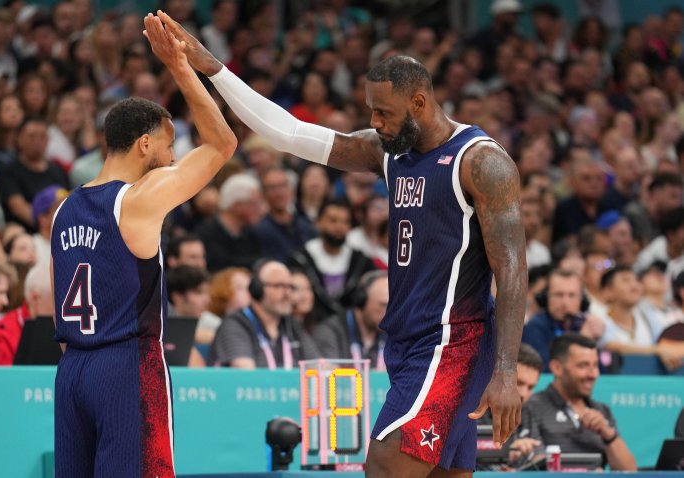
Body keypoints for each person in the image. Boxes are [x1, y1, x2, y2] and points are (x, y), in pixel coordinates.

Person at [159, 12, 526, 475]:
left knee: (383, 466)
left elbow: (512, 273)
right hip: (406, 340)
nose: (374, 122)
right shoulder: (386, 152)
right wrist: (213, 68)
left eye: (383, 113)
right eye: (371, 110)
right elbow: (288, 133)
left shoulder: (481, 163)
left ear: (418, 102)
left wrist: (506, 371)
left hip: (452, 342)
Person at [49, 14, 236, 477]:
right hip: (125, 366)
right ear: (145, 143)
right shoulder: (137, 199)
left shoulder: (62, 209)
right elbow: (222, 145)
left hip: (71, 372)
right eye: (170, 148)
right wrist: (179, 66)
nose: (173, 159)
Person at [519, 333, 637, 470]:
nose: (593, 374)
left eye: (595, 366)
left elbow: (629, 471)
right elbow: (535, 465)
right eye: (583, 366)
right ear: (557, 368)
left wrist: (608, 434)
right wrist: (586, 473)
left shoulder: (602, 410)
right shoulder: (532, 406)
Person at [210, 259, 320, 368]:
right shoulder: (234, 325)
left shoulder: (291, 325)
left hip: (289, 386)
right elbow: (246, 376)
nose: (287, 294)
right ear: (257, 289)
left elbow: (319, 367)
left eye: (289, 287)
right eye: (279, 286)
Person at [313, 270, 388, 369]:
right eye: (383, 305)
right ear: (361, 300)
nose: (389, 312)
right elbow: (330, 377)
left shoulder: (393, 333)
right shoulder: (331, 331)